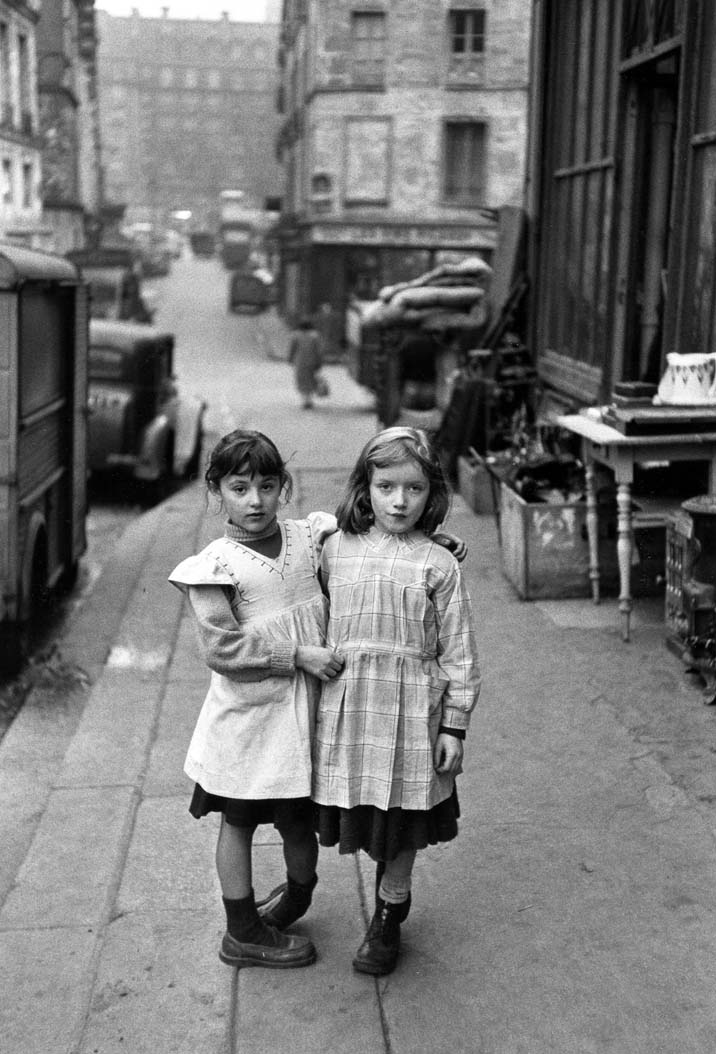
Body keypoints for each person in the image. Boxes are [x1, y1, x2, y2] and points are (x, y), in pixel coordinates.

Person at [168, 429, 344, 970]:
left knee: (299, 818)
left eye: (268, 486)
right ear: (216, 490)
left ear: (283, 487)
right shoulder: (215, 566)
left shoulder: (308, 539)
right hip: (249, 719)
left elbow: (368, 541)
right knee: (239, 819)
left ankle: (296, 896)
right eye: (239, 487)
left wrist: (432, 544)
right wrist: (298, 656)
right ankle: (241, 929)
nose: (255, 500)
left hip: (304, 716)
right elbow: (223, 646)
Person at [312, 426, 481, 976]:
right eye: (386, 486)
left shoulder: (439, 565)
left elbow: (460, 650)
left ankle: (390, 909)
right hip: (351, 709)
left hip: (412, 713)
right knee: (363, 815)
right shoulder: (333, 549)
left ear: (433, 494)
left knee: (403, 818)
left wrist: (453, 726)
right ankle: (311, 891)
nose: (400, 501)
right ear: (366, 488)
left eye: (414, 489)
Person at [288, 316, 323, 409]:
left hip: (300, 361)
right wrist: (319, 361)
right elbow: (319, 350)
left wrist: (290, 358)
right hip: (312, 361)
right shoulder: (315, 336)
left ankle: (304, 400)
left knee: (301, 380)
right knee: (310, 380)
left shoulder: (295, 335)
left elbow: (292, 348)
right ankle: (309, 400)